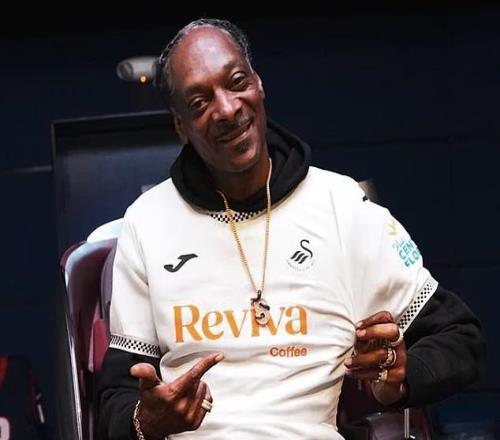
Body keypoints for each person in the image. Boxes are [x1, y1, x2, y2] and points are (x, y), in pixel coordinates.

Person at [98, 18, 485, 440]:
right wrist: (144, 421)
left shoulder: (341, 206)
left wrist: (400, 377)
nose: (226, 109)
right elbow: (116, 397)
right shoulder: (148, 222)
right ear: (180, 126)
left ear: (259, 84)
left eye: (236, 82)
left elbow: (460, 337)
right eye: (199, 102)